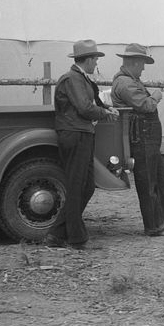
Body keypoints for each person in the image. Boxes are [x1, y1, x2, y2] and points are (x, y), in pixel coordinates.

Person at [45, 40, 119, 250]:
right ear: (87, 60)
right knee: (78, 186)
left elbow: (93, 103)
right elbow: (85, 108)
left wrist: (106, 109)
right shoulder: (72, 79)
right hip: (75, 134)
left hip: (82, 134)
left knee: (85, 186)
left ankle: (57, 233)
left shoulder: (80, 79)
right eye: (95, 58)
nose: (96, 62)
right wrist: (105, 113)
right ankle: (77, 239)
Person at [111, 43, 164, 237]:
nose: (144, 68)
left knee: (160, 180)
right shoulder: (126, 83)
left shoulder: (129, 81)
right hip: (141, 137)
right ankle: (155, 226)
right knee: (149, 182)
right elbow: (146, 106)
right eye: (142, 63)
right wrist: (156, 97)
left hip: (146, 138)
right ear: (135, 63)